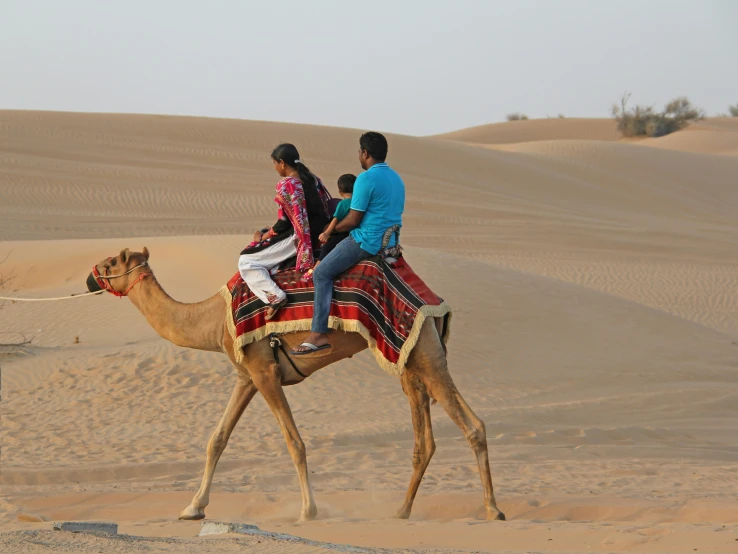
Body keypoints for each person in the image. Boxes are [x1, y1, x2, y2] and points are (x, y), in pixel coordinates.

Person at [292, 132, 405, 354]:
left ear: (365, 153)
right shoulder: (396, 178)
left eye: (359, 152)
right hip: (391, 242)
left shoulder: (366, 179)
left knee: (321, 273)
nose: (359, 156)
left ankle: (318, 333)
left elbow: (354, 220)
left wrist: (329, 230)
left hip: (367, 241)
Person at [238, 143, 331, 320]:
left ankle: (274, 296)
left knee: (246, 261)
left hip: (299, 238)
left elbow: (284, 222)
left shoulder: (287, 184)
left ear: (282, 163)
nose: (275, 168)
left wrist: (264, 236)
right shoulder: (313, 179)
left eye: (274, 163)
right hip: (317, 231)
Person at [302, 173, 355, 278]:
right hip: (356, 234)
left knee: (326, 248)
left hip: (342, 234)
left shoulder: (342, 204)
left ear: (340, 192)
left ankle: (314, 270)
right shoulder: (359, 203)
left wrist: (326, 233)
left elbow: (335, 220)